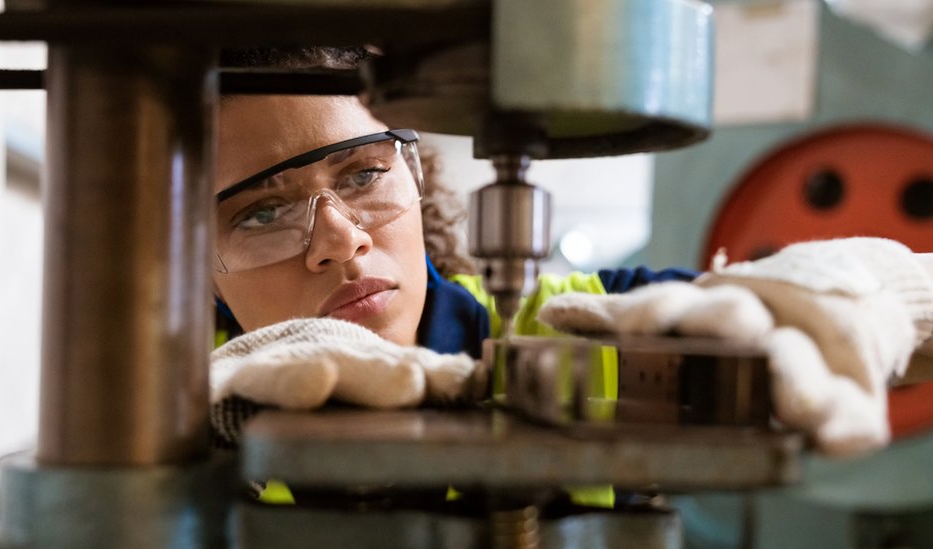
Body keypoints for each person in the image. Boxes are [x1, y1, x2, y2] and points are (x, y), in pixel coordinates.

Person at [209, 47, 933, 464]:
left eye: (363, 174)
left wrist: (874, 290)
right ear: (188, 258)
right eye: (261, 212)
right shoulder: (152, 408)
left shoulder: (580, 329)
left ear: (417, 171)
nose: (340, 240)